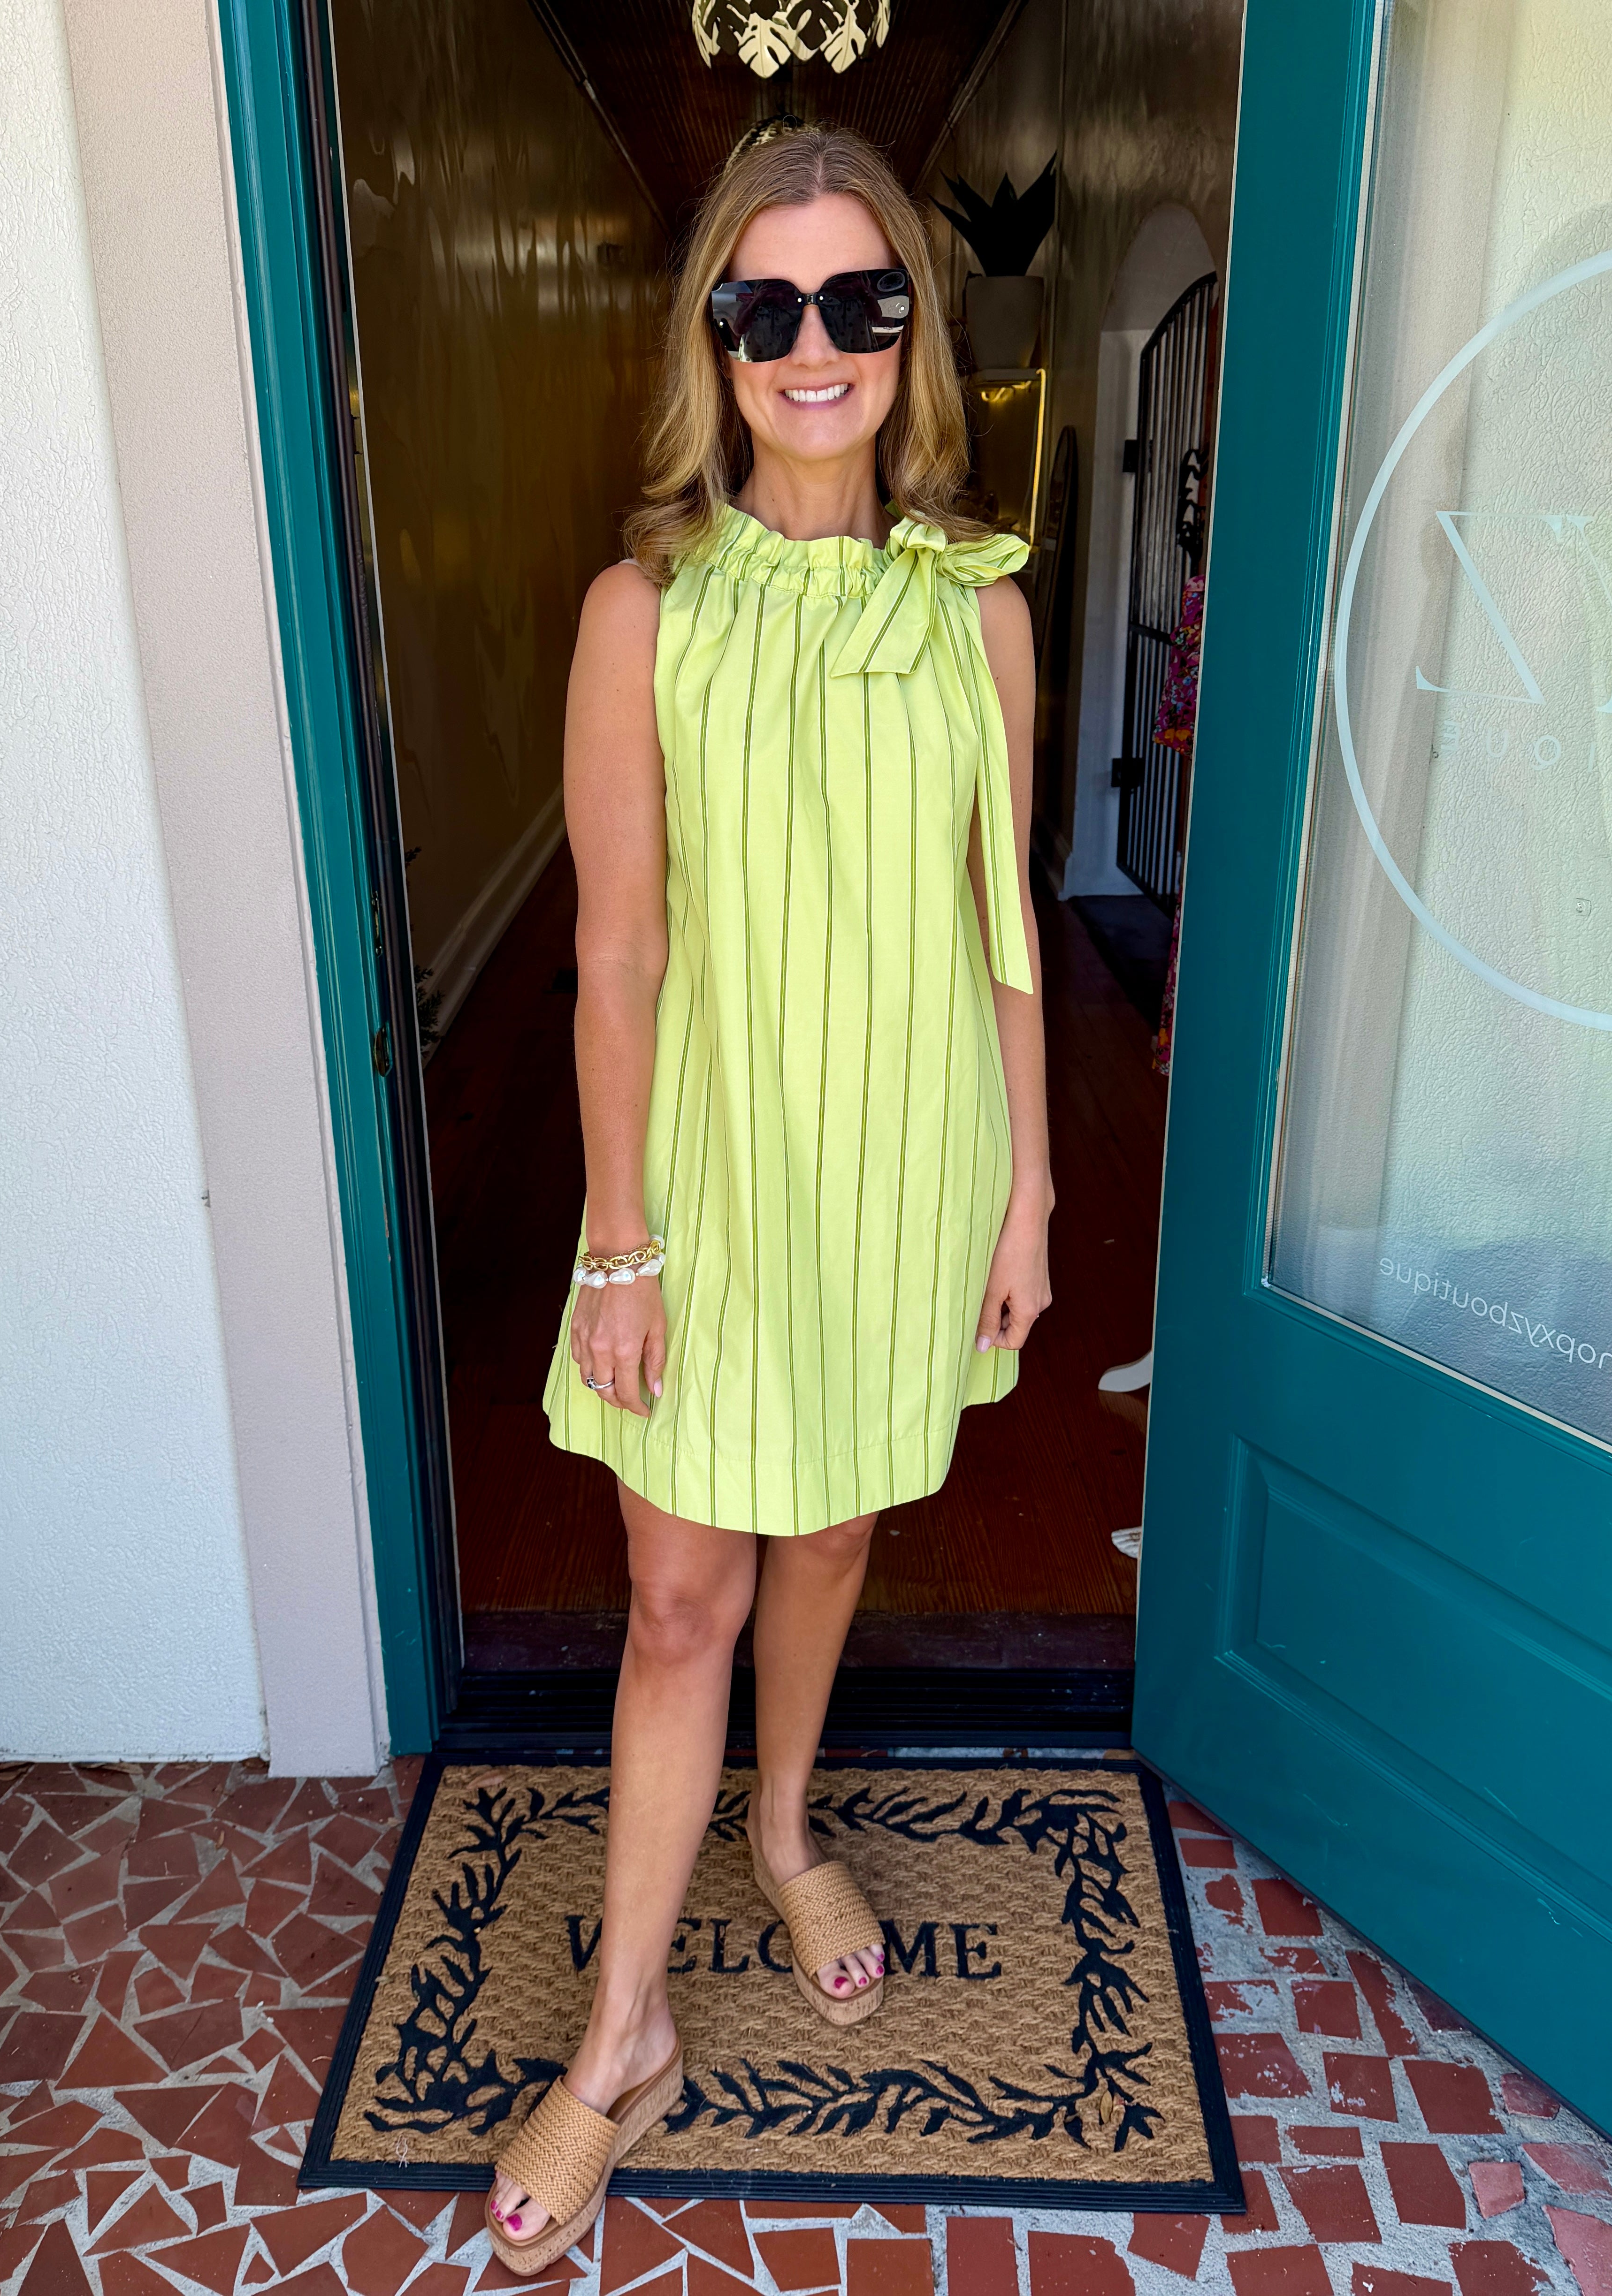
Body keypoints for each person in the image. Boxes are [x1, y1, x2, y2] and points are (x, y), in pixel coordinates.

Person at [487, 120, 1052, 2277]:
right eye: (768, 305)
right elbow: (617, 954)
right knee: (677, 1596)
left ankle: (790, 1828)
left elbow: (1007, 937)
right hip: (710, 1184)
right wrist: (617, 1239)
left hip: (906, 1171)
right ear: (713, 341)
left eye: (861, 300)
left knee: (830, 1534)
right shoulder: (643, 615)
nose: (818, 345)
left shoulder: (979, 614)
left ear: (916, 330)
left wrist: (1029, 1194)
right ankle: (621, 2032)